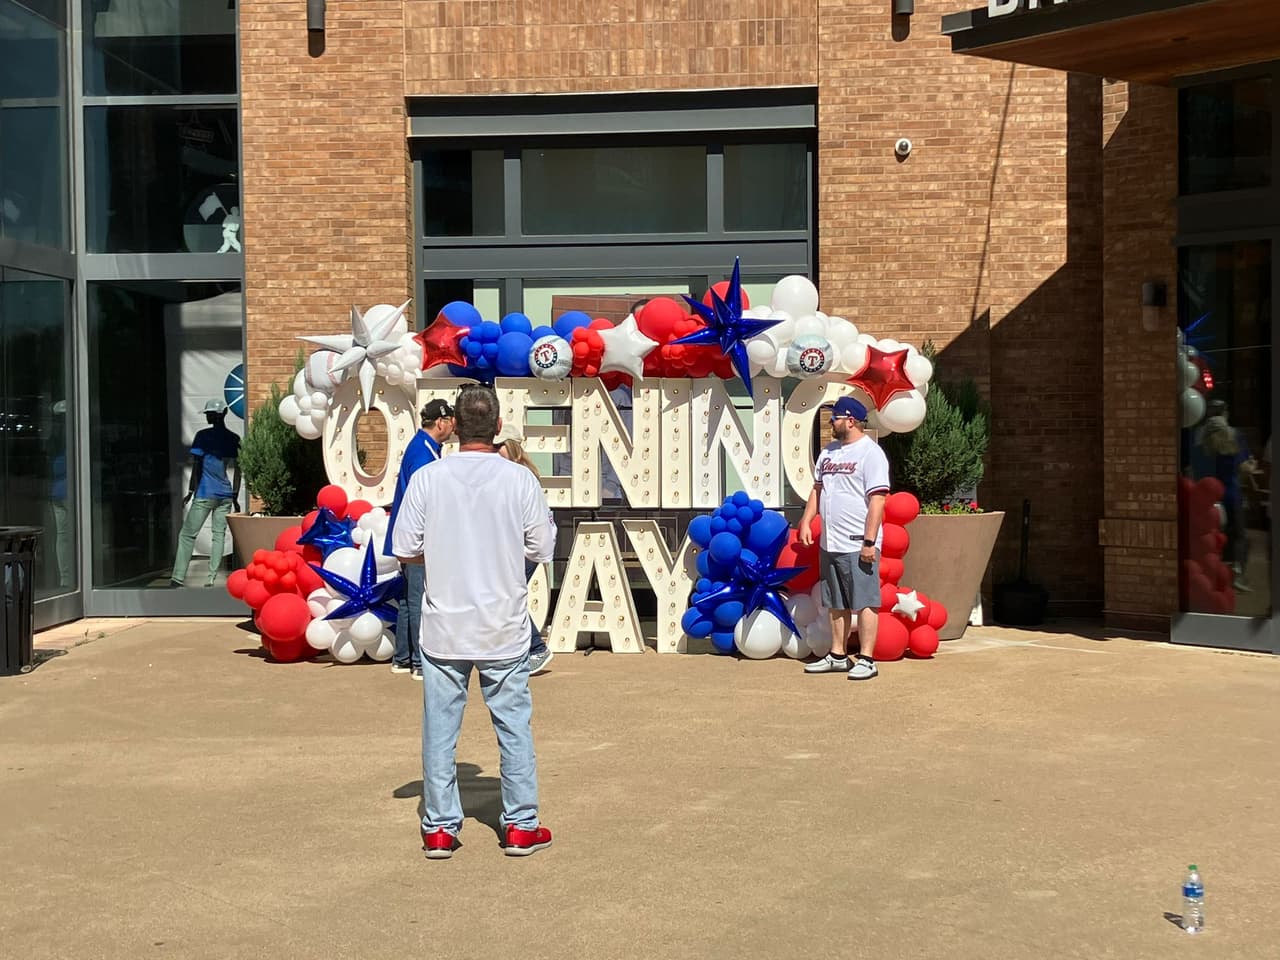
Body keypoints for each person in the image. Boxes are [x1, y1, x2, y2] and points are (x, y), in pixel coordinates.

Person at [393, 384, 556, 860]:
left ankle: (440, 828)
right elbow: (542, 547)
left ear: (455, 428)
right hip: (503, 623)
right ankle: (521, 824)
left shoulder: (429, 478)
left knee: (440, 732)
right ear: (498, 426)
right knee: (514, 726)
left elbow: (404, 547)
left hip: (445, 624)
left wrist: (445, 553)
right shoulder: (519, 480)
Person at [798, 396, 890, 681]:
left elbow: (877, 500)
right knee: (835, 601)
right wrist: (806, 520)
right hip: (831, 541)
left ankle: (867, 659)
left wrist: (869, 542)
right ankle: (838, 655)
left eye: (835, 417)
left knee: (865, 601)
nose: (831, 422)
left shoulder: (870, 453)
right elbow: (818, 489)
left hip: (858, 542)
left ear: (851, 420)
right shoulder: (828, 453)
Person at [383, 398, 455, 678]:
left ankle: (402, 657)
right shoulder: (424, 454)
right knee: (417, 599)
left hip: (410, 535)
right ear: (441, 422)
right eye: (451, 421)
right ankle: (418, 662)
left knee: (408, 598)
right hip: (418, 538)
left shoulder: (422, 447)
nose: (453, 427)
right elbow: (424, 500)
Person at [494, 423, 556, 675]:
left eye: (499, 446)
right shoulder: (509, 473)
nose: (494, 450)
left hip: (525, 548)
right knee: (505, 597)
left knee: (506, 597)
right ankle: (523, 649)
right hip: (514, 547)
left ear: (512, 447)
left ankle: (536, 648)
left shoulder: (520, 475)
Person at [171, 399, 240, 587]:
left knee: (187, 535)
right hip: (225, 494)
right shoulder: (233, 438)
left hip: (205, 492)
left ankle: (178, 577)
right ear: (224, 413)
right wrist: (234, 495)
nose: (208, 417)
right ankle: (212, 577)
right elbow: (238, 470)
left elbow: (197, 467)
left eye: (209, 414)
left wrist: (190, 491)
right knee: (218, 535)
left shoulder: (203, 436)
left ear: (215, 415)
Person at [1197, 400, 1254, 591]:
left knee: (1211, 536)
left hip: (1206, 494)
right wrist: (1252, 465)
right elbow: (1244, 467)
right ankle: (1236, 575)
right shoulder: (1234, 434)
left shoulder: (1200, 436)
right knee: (1239, 536)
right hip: (1230, 493)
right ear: (1225, 412)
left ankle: (1211, 575)